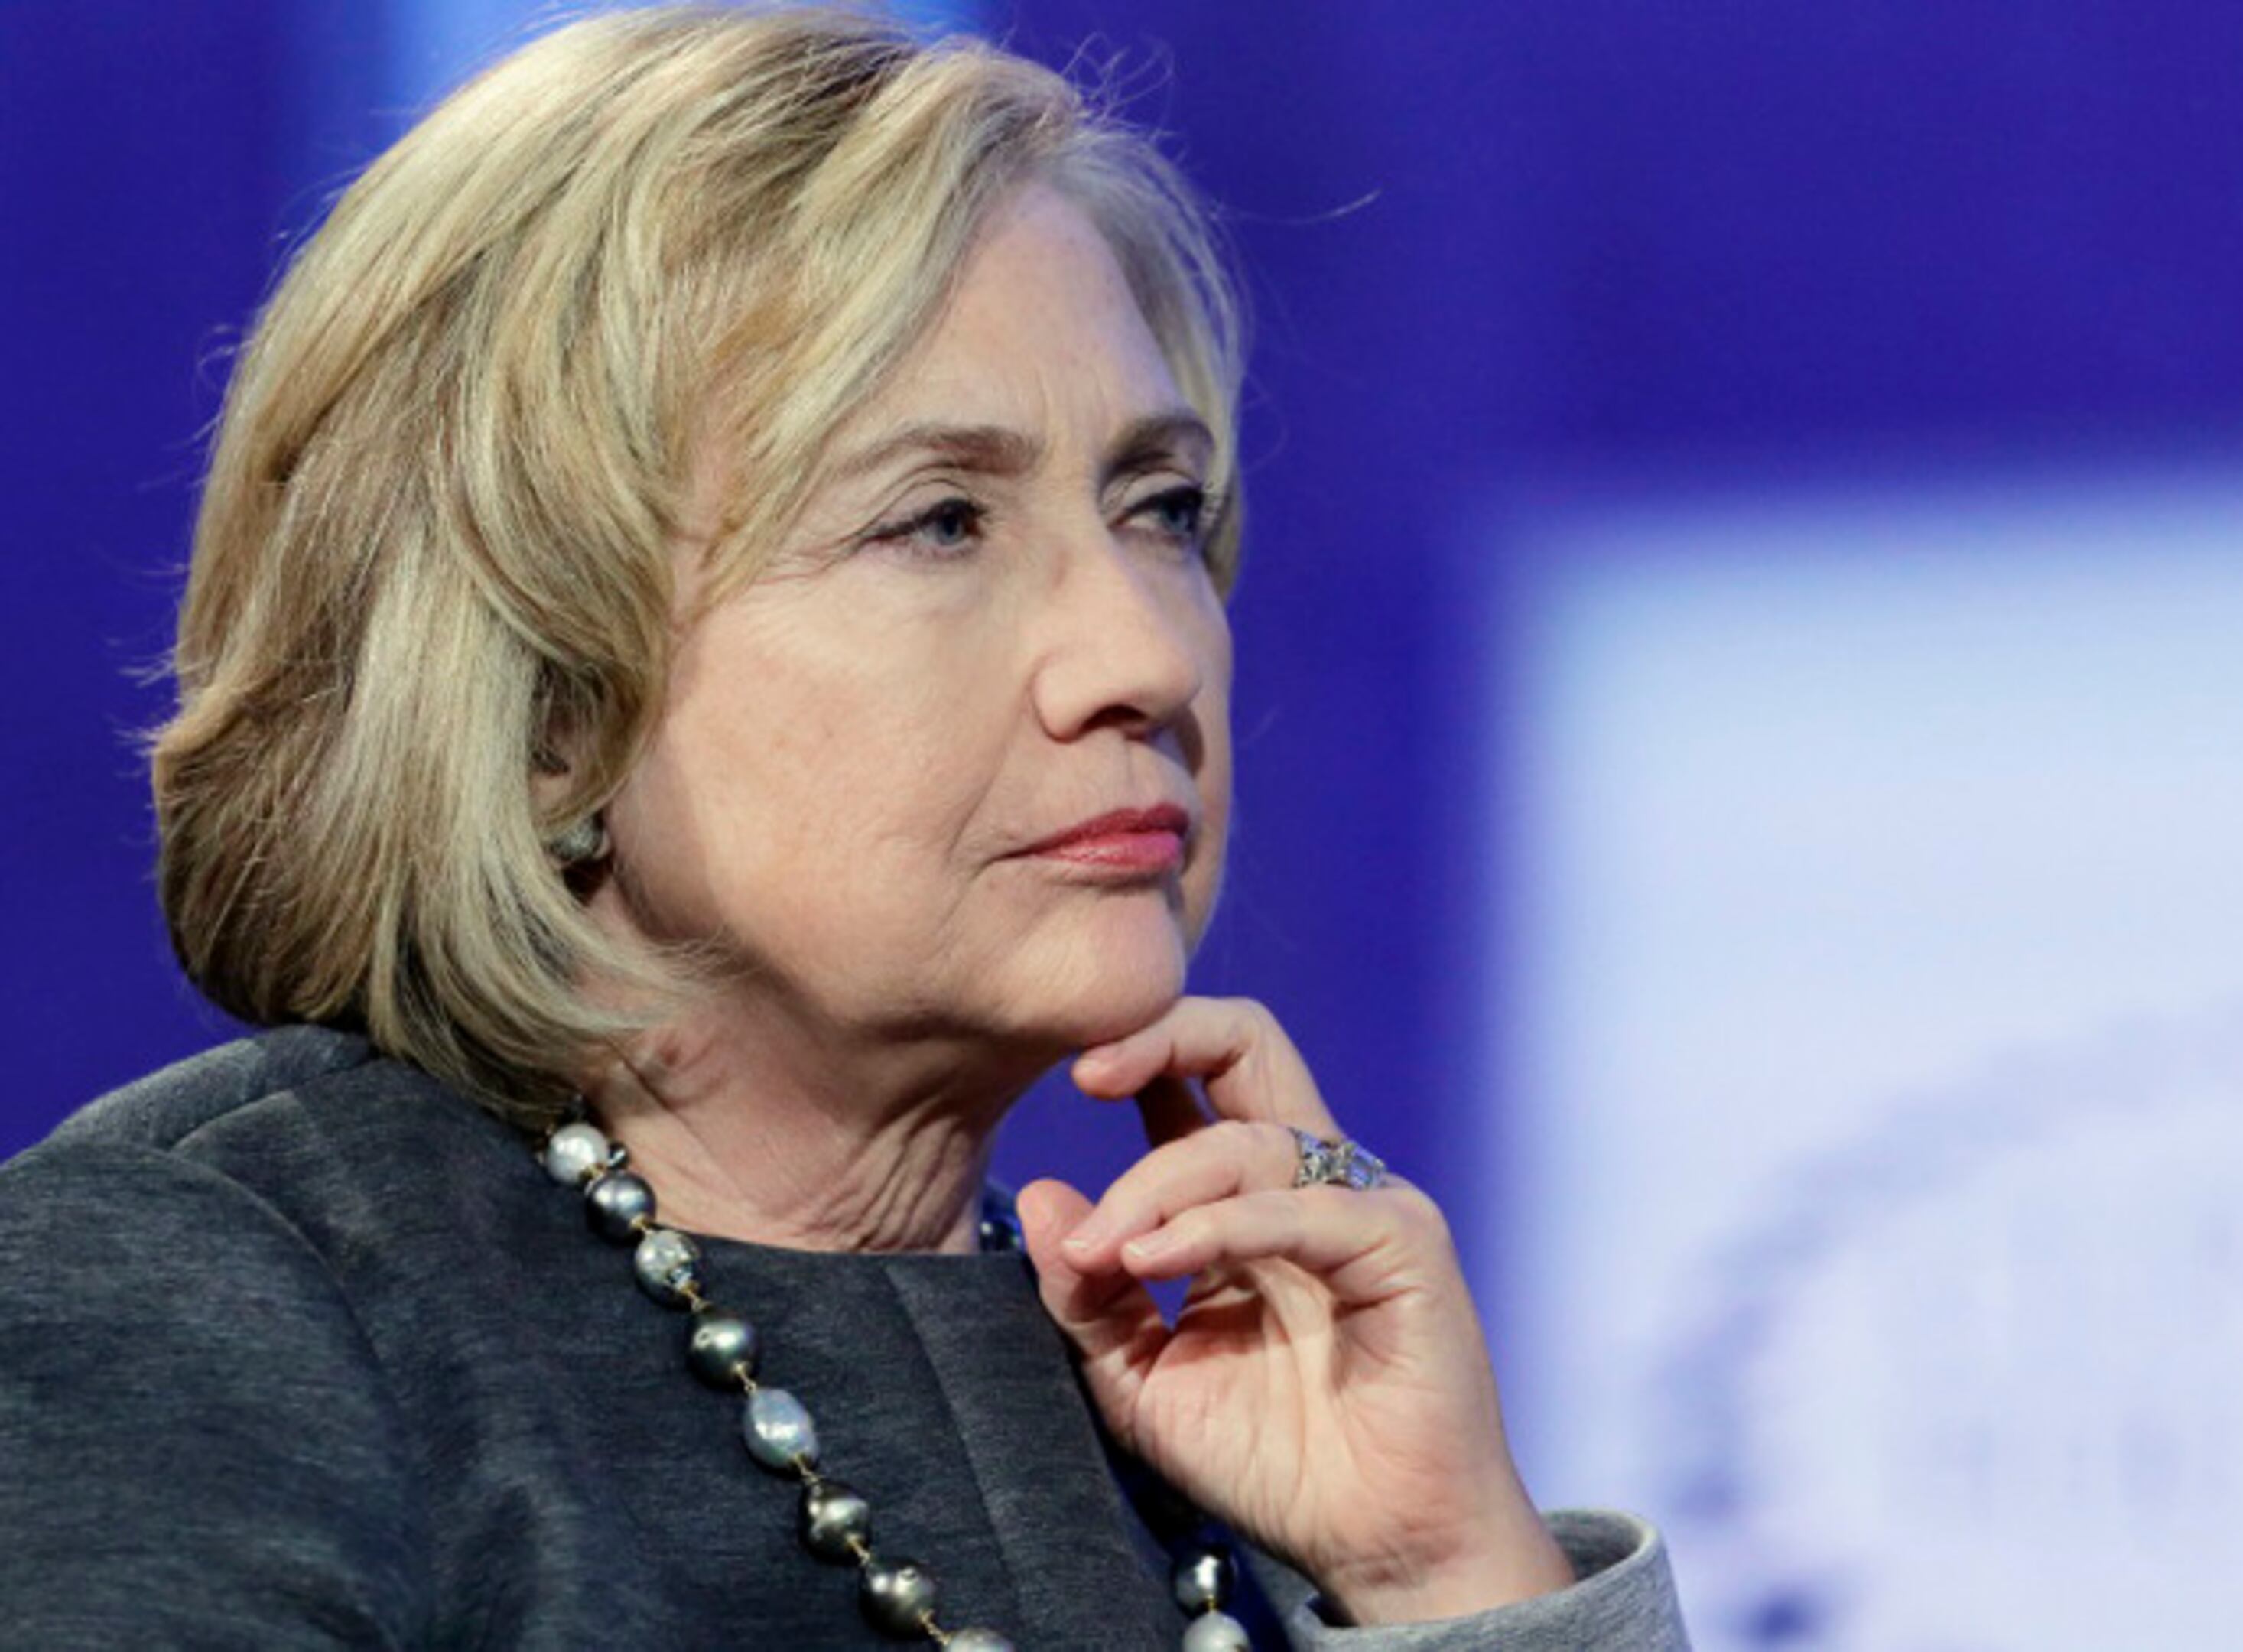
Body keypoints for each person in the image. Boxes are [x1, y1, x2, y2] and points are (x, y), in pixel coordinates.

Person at [0, 8, 1685, 1647]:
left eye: (1159, 510)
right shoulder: (213, 1305)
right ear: (541, 697)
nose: (1148, 657)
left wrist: (1449, 1575)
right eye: (939, 520)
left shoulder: (1204, 1410)